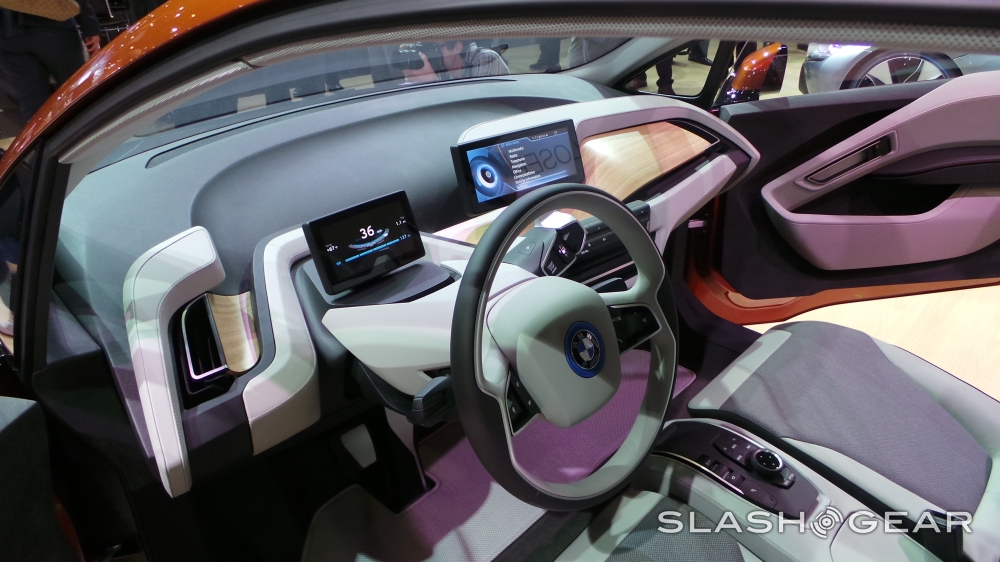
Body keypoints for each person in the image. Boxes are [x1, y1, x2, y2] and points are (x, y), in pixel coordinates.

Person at [0, 4, 101, 126]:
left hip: (7, 32)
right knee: (74, 91)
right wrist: (89, 26)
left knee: (32, 104)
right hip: (52, 24)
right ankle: (89, 133)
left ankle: (40, 137)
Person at [397, 40, 509, 83]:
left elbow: (481, 111)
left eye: (434, 47)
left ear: (457, 47)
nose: (429, 53)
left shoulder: (485, 58)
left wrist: (431, 82)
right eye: (426, 47)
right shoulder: (438, 67)